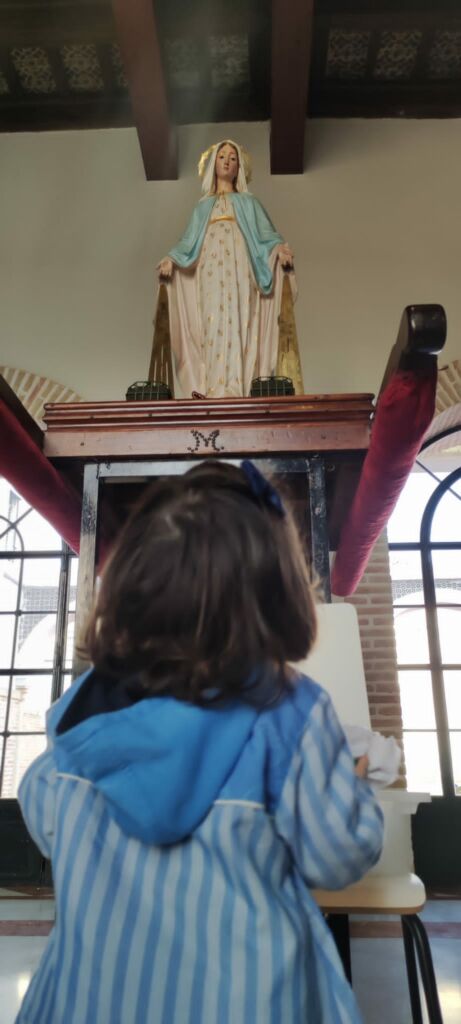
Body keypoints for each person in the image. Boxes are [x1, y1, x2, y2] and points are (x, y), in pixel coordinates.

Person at [16, 460, 383, 1024]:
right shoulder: (291, 712)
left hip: (86, 1002)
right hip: (251, 1004)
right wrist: (352, 788)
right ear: (276, 593)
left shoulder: (83, 710)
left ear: (129, 588)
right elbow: (338, 855)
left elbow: (44, 816)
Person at [156, 140, 299, 398]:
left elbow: (267, 236)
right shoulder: (202, 207)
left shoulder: (249, 203)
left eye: (233, 158)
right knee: (212, 320)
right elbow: (187, 243)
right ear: (213, 164)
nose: (227, 161)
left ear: (239, 168)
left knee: (240, 318)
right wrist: (171, 259)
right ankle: (212, 388)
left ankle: (239, 387)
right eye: (222, 156)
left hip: (240, 267)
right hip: (209, 268)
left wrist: (279, 249)